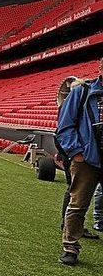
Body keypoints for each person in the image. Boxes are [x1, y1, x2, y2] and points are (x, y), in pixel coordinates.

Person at [56, 57, 103, 265]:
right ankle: (70, 247)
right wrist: (76, 152)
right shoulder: (81, 91)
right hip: (87, 159)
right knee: (78, 205)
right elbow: (64, 125)